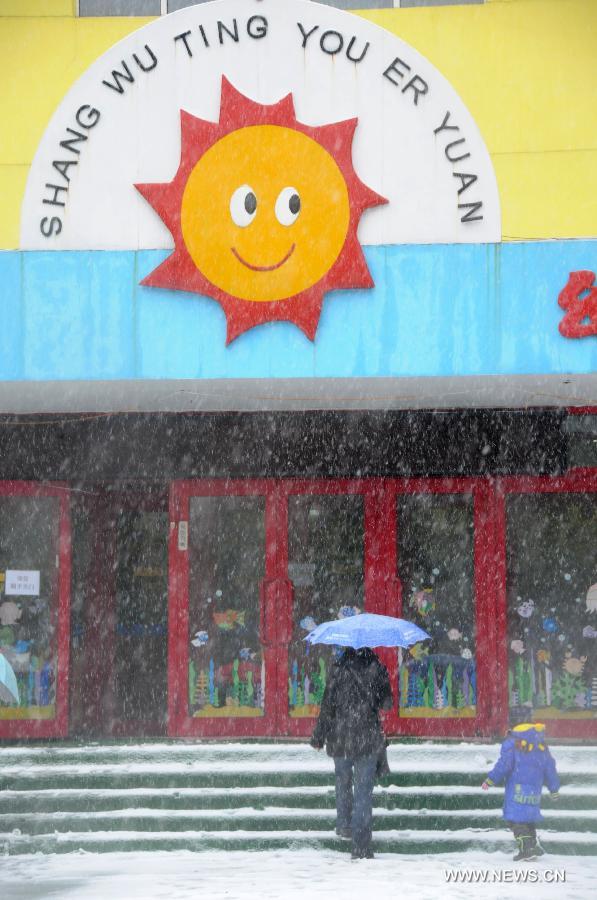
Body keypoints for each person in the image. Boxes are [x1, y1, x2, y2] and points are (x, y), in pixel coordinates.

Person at [310, 646, 393, 860]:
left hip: (341, 737)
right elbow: (387, 704)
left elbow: (328, 706)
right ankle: (361, 846)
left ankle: (344, 823)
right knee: (363, 790)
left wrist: (319, 737)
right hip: (367, 736)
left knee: (343, 781)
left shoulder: (337, 670)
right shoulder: (377, 668)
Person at [482, 719, 560, 861]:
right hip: (534, 792)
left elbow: (503, 766)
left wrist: (490, 779)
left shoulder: (513, 746)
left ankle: (526, 849)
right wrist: (554, 788)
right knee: (528, 819)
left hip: (517, 790)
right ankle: (533, 845)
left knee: (516, 820)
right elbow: (550, 770)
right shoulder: (541, 748)